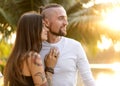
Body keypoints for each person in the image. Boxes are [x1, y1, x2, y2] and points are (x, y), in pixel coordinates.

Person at [39, 3, 96, 86]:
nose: (66, 23)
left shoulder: (75, 46)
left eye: (66, 18)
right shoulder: (34, 48)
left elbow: (88, 81)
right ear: (46, 22)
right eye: (61, 18)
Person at [3, 11, 59, 86]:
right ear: (33, 29)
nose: (47, 29)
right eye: (43, 26)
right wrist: (50, 69)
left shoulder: (16, 57)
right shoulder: (33, 57)